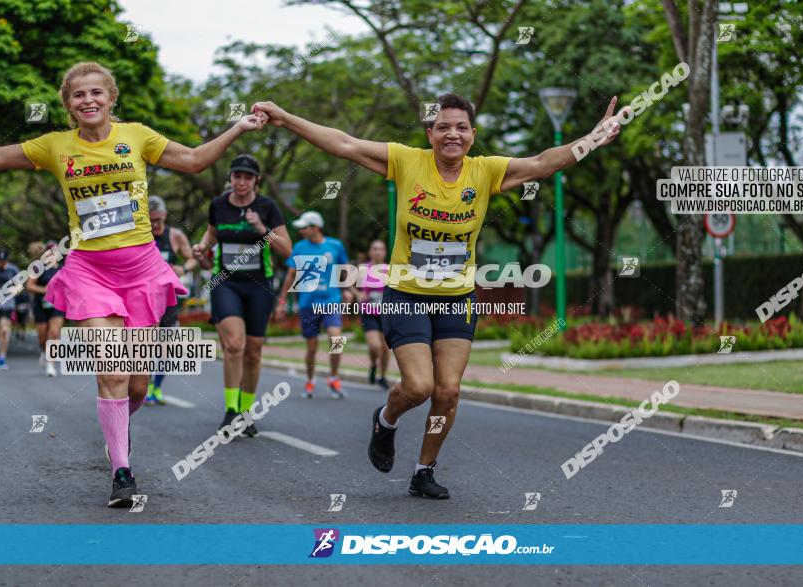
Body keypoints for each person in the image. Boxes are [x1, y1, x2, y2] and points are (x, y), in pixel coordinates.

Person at [252, 92, 623, 498]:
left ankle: (423, 469)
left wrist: (592, 137)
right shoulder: (408, 162)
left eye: (461, 127)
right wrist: (286, 117)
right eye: (443, 126)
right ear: (430, 134)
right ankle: (386, 420)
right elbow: (344, 143)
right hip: (407, 296)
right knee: (419, 387)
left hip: (456, 298)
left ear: (472, 135)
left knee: (448, 391)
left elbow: (541, 163)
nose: (452, 134)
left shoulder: (485, 172)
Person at [0, 61, 266, 507]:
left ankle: (117, 432)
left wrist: (236, 128)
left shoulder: (137, 136)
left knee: (137, 386)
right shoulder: (54, 146)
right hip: (88, 272)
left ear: (111, 97)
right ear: (68, 105)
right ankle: (122, 471)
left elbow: (194, 161)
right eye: (79, 95)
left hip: (141, 272)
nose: (89, 101)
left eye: (97, 92)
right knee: (113, 370)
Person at [193, 154, 292, 436]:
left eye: (248, 177)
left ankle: (246, 411)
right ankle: (231, 410)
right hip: (226, 282)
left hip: (259, 284)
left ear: (256, 181)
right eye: (237, 176)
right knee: (234, 344)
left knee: (253, 352)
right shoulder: (218, 206)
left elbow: (288, 251)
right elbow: (211, 235)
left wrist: (263, 230)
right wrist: (201, 247)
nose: (241, 182)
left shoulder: (267, 207)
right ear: (231, 178)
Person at [278, 211, 349, 399]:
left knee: (336, 339)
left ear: (315, 228)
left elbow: (344, 270)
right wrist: (282, 301)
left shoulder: (335, 245)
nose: (301, 230)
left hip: (331, 301)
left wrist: (347, 289)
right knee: (312, 347)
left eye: (304, 227)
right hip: (308, 303)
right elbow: (291, 275)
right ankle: (310, 380)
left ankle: (334, 377)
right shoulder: (300, 247)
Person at [145, 195, 198, 404]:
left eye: (159, 219)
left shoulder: (175, 236)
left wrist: (183, 268)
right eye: (151, 220)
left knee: (165, 345)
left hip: (169, 299)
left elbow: (192, 258)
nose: (155, 224)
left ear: (165, 215)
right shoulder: (140, 235)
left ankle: (156, 387)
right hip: (144, 299)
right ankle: (144, 384)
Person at [350, 240, 390, 390]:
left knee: (386, 348)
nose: (378, 252)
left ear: (385, 252)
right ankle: (373, 364)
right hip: (369, 312)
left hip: (386, 313)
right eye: (375, 249)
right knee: (375, 346)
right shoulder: (363, 269)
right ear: (370, 252)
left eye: (381, 249)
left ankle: (383, 376)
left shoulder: (389, 269)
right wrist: (357, 294)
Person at [27, 241, 67, 376]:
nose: (52, 254)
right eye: (49, 251)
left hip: (58, 305)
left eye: (54, 251)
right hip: (41, 305)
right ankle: (44, 351)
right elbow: (29, 286)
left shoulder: (63, 268)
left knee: (54, 333)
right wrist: (44, 290)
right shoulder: (39, 268)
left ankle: (51, 364)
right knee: (42, 337)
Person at [0, 249, 19, 370]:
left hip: (7, 304)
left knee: (5, 330)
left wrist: (15, 290)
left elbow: (19, 285)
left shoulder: (13, 269)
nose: (2, 263)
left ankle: (2, 358)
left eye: (4, 261)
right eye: (0, 261)